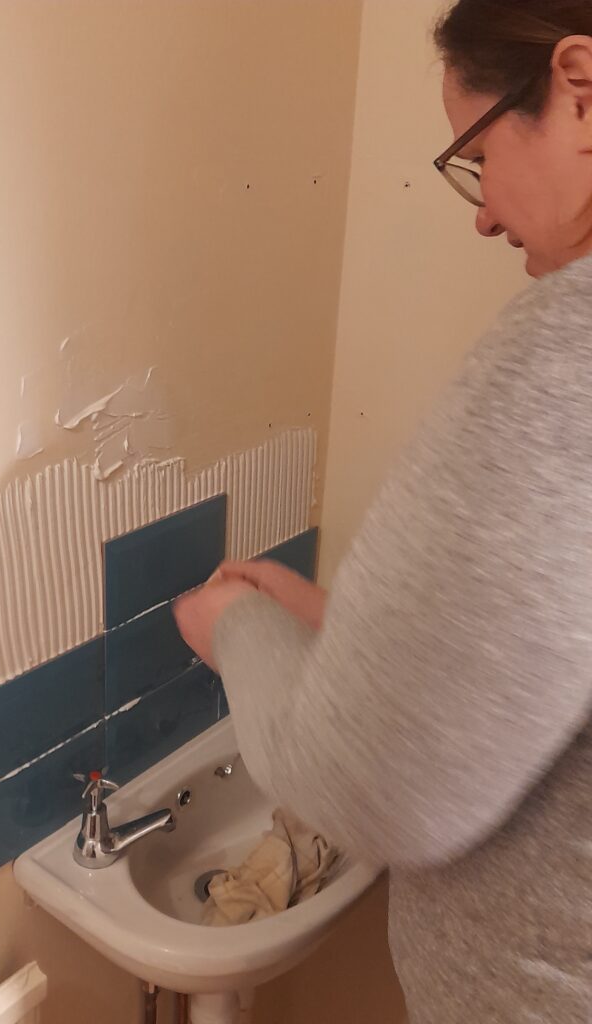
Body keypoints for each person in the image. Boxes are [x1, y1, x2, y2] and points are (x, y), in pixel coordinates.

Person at [174, 2, 592, 1021]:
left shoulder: (568, 352)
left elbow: (367, 789)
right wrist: (339, 633)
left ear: (580, 85)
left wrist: (237, 626)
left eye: (476, 150)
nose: (483, 213)